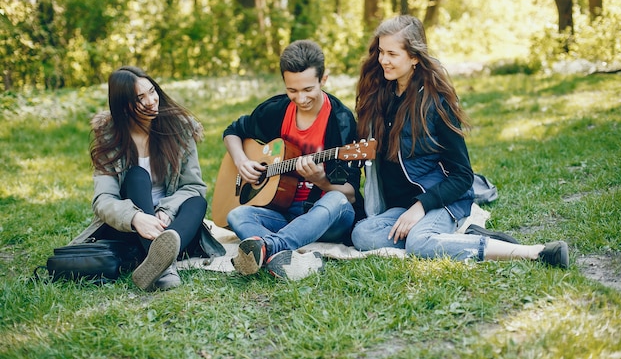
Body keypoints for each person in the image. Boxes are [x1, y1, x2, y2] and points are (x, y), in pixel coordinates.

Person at [351, 15, 569, 268]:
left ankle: (533, 252)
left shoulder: (435, 102)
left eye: (392, 53)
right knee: (362, 235)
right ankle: (457, 239)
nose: (383, 60)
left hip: (441, 200)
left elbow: (463, 175)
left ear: (414, 58)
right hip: (402, 207)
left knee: (418, 244)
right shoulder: (380, 96)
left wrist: (421, 207)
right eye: (380, 51)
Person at [223, 40, 364, 280]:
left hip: (326, 217)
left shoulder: (340, 121)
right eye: (292, 90)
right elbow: (233, 132)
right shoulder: (277, 110)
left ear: (323, 79)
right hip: (282, 212)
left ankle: (269, 248)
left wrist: (321, 180)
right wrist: (242, 162)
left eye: (308, 89)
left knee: (336, 200)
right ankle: (283, 258)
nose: (300, 98)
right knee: (236, 215)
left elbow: (349, 194)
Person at [70, 66, 209, 291]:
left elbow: (193, 186)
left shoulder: (179, 129)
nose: (152, 101)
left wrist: (166, 211)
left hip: (172, 223)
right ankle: (164, 266)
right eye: (140, 98)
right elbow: (103, 200)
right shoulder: (110, 138)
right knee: (136, 176)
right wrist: (136, 218)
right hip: (131, 229)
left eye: (152, 91)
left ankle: (159, 260)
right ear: (124, 105)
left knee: (198, 202)